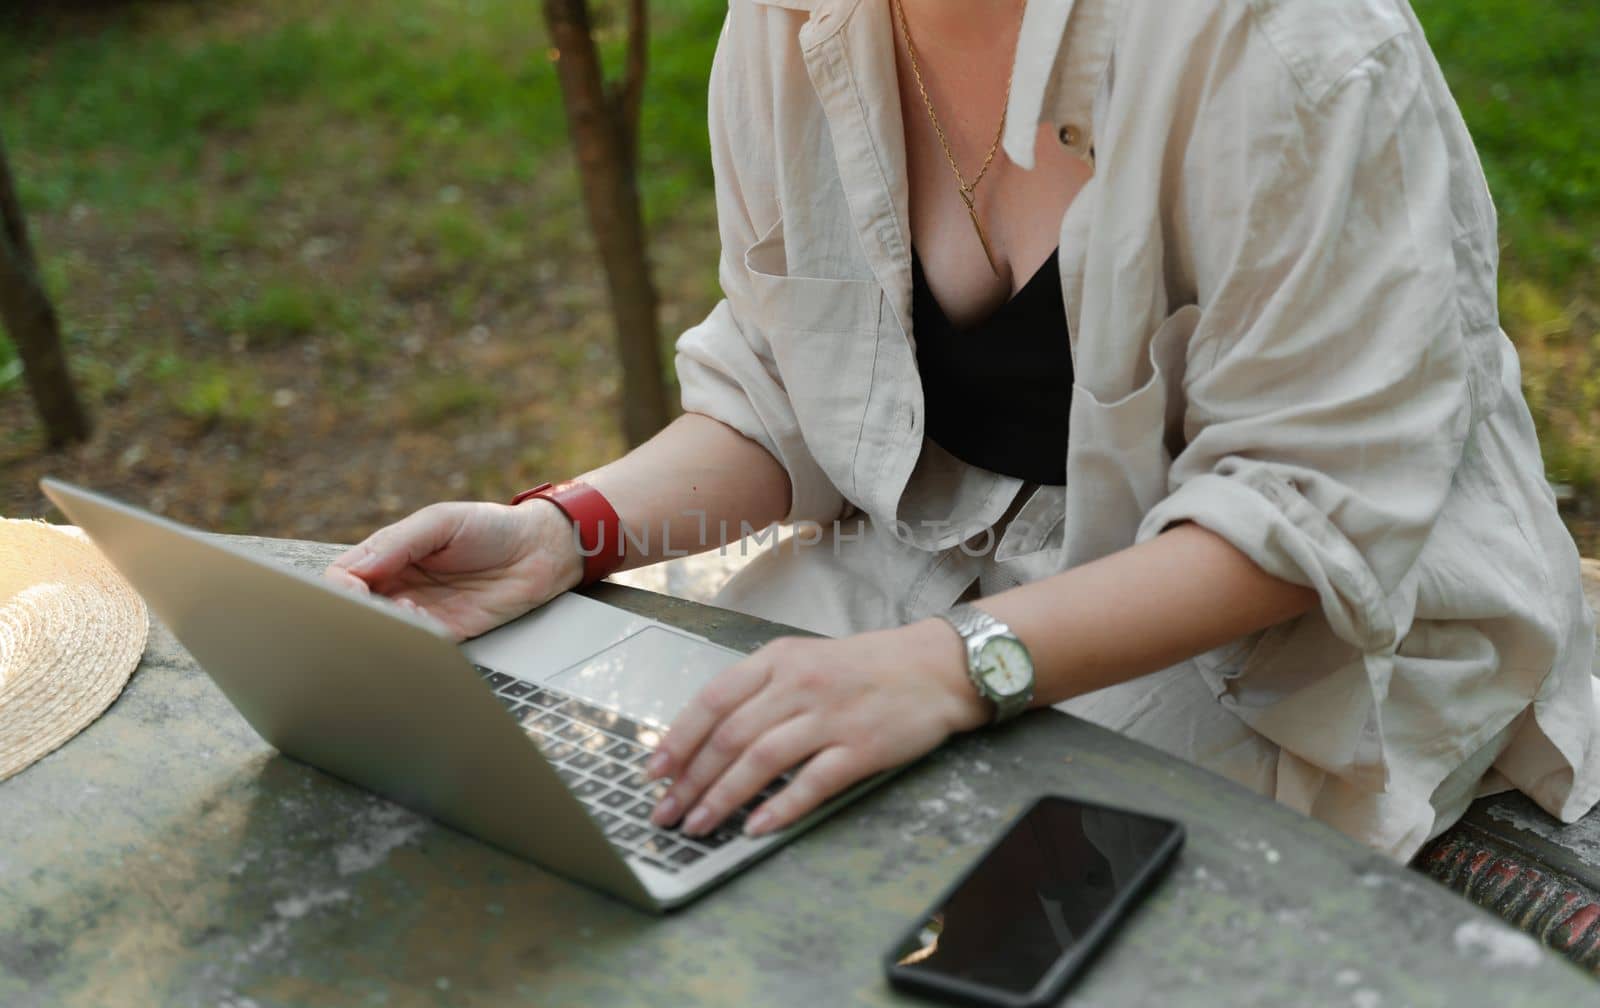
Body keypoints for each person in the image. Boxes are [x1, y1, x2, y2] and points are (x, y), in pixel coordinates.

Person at [326, 0, 1600, 862]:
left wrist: (950, 668)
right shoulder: (791, 25)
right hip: (948, 565)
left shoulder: (1290, 43)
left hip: (1286, 638)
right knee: (629, 822)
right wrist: (566, 527)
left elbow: (1306, 513)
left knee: (954, 909)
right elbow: (792, 393)